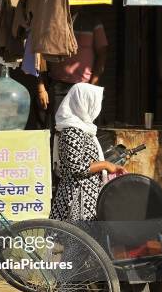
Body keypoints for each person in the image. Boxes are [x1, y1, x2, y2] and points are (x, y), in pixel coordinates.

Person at [50, 83, 125, 222]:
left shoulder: (83, 129)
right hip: (78, 200)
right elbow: (76, 168)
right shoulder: (72, 131)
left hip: (86, 197)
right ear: (83, 102)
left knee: (86, 242)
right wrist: (106, 165)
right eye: (94, 102)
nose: (97, 107)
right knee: (79, 242)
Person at [37, 8, 108, 130]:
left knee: (84, 131)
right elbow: (39, 54)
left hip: (84, 88)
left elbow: (103, 53)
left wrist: (93, 84)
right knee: (57, 130)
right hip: (58, 86)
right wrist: (41, 88)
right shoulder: (52, 20)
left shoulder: (93, 22)